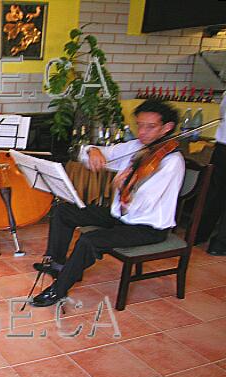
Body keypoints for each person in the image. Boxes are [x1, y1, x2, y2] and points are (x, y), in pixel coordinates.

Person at [31, 99, 185, 307]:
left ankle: (59, 290)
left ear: (167, 128)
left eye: (151, 127)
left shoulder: (171, 162)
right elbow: (101, 152)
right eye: (139, 125)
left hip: (147, 227)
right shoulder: (137, 147)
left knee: (89, 240)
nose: (142, 132)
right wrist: (92, 151)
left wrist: (122, 187)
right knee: (63, 210)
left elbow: (143, 205)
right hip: (120, 217)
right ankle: (58, 264)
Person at [195, 92, 226, 256]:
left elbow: (222, 112)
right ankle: (220, 244)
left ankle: (198, 234)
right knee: (215, 192)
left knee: (214, 193)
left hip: (222, 147)